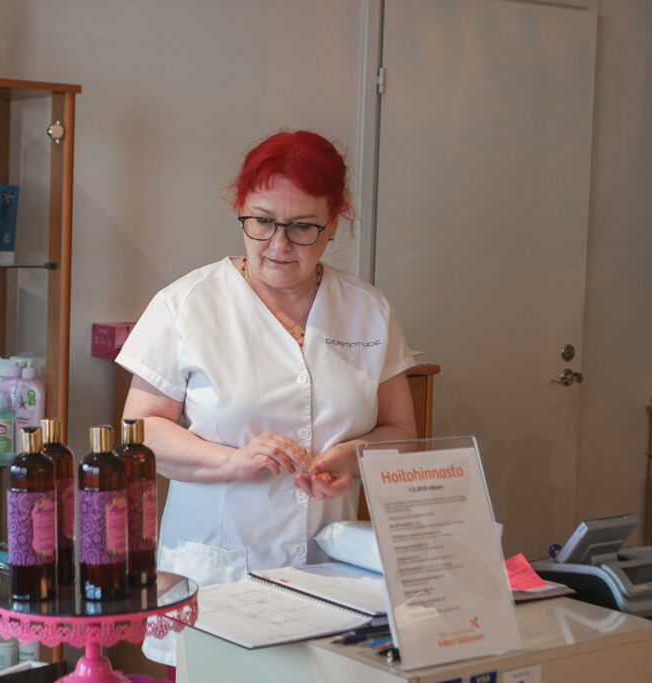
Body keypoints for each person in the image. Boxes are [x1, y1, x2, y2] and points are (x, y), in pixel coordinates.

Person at [115, 129, 418, 668]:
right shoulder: (187, 305)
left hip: (331, 575)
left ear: (334, 222)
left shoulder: (368, 311)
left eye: (302, 227)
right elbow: (139, 435)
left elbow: (402, 433)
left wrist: (351, 456)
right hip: (216, 575)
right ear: (240, 210)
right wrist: (232, 462)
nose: (278, 245)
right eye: (262, 222)